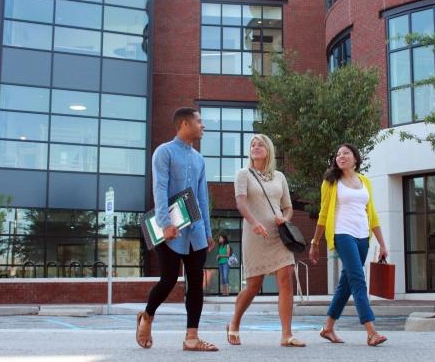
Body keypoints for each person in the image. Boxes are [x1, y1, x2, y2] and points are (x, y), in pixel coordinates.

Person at [135, 107, 217, 352]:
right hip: (169, 229)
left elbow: (202, 197)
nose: (203, 125)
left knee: (195, 281)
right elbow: (159, 188)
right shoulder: (164, 152)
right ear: (184, 123)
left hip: (196, 231)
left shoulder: (199, 159)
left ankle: (192, 337)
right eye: (199, 121)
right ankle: (147, 316)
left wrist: (208, 231)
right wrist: (165, 224)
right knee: (169, 279)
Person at [227, 134, 305, 347]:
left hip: (278, 235)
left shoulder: (279, 176)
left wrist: (285, 218)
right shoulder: (243, 174)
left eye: (260, 144)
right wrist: (253, 223)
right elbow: (241, 203)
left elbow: (288, 207)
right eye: (253, 145)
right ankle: (233, 322)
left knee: (286, 280)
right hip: (255, 234)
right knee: (254, 285)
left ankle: (286, 335)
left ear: (268, 149)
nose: (256, 147)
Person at [309, 143, 389, 347]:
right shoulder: (331, 182)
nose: (341, 156)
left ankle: (327, 328)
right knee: (358, 279)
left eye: (346, 153)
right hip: (342, 234)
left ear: (355, 158)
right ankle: (371, 332)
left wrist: (382, 243)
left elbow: (372, 214)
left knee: (346, 284)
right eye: (338, 154)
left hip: (363, 236)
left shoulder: (365, 182)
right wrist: (315, 242)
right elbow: (324, 213)